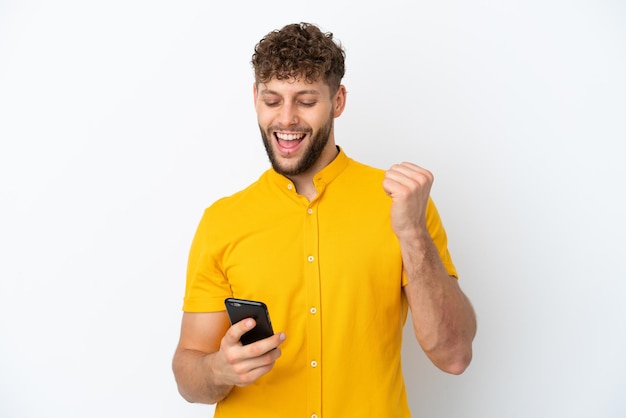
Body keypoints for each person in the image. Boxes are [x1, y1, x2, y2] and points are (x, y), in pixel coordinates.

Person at [172, 22, 477, 418]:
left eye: (305, 100)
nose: (286, 119)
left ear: (337, 101)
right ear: (255, 98)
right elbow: (188, 374)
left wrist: (413, 234)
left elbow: (454, 356)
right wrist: (218, 368)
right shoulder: (223, 220)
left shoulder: (402, 205)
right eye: (272, 100)